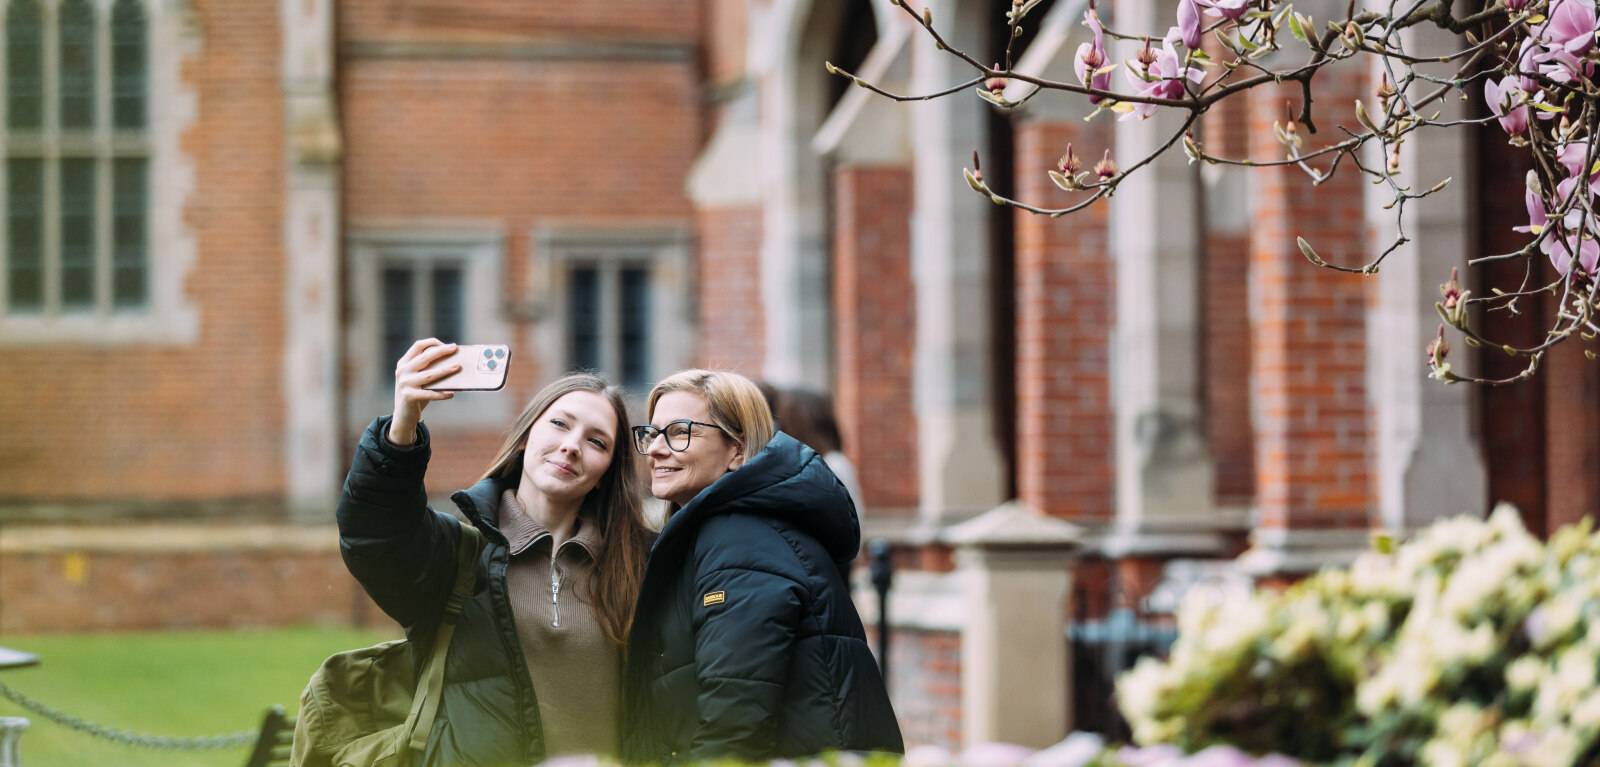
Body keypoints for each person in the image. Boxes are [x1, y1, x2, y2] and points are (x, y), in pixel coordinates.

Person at [337, 339, 654, 765]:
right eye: (560, 424)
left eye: (597, 442)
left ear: (604, 474)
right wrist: (402, 428)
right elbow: (376, 535)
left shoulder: (637, 564)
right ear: (525, 437)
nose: (572, 445)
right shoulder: (459, 555)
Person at [620, 369, 904, 763]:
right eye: (651, 434)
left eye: (680, 431)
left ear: (737, 450)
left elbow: (734, 717)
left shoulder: (738, 540)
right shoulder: (727, 530)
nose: (654, 450)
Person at [774, 389, 866, 530]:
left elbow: (851, 525)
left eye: (787, 421)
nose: (782, 429)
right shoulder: (799, 465)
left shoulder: (833, 466)